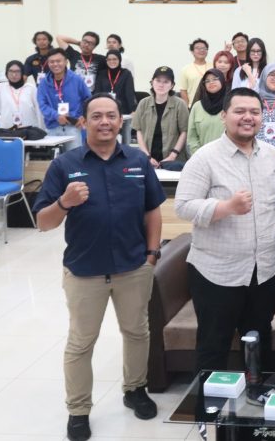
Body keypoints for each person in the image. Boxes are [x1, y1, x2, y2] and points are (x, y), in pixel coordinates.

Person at [33, 93, 164, 441]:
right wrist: (64, 202)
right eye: (97, 116)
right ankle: (78, 409)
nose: (105, 122)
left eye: (111, 116)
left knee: (137, 332)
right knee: (81, 343)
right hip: (84, 272)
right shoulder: (64, 165)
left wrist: (152, 255)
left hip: (133, 268)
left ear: (121, 121)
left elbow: (153, 210)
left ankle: (135, 389)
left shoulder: (137, 161)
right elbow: (43, 223)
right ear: (85, 122)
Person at [175, 88, 275, 373]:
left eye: (255, 112)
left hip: (263, 272)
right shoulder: (204, 158)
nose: (248, 117)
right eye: (240, 111)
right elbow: (183, 206)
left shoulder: (272, 156)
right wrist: (225, 207)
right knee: (214, 344)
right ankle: (210, 411)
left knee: (258, 339)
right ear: (224, 116)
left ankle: (257, 397)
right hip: (217, 273)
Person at [131, 66, 189, 169]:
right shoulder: (143, 103)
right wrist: (147, 156)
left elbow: (184, 132)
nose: (161, 85)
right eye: (158, 81)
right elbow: (138, 130)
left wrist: (172, 155)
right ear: (152, 82)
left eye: (166, 82)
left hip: (173, 160)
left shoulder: (180, 104)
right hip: (148, 158)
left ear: (172, 85)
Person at [37, 47, 91, 152]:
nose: (55, 64)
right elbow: (42, 105)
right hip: (53, 128)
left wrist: (83, 116)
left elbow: (88, 99)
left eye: (58, 61)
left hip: (73, 127)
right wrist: (56, 116)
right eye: (52, 62)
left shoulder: (77, 79)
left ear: (66, 62)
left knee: (75, 160)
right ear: (48, 63)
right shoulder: (43, 83)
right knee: (55, 162)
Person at [0, 60, 44, 131]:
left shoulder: (31, 88)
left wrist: (42, 130)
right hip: (7, 131)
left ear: (22, 73)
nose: (14, 75)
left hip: (29, 131)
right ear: (6, 73)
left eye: (17, 71)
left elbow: (39, 112)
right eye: (11, 71)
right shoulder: (0, 87)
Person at [187, 69, 227, 155]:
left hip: (227, 158)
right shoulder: (197, 106)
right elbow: (191, 136)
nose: (211, 82)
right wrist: (199, 155)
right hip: (201, 158)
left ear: (222, 81)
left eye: (215, 79)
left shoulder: (231, 104)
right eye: (207, 81)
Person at [92, 50, 137, 115]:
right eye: (109, 59)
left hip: (122, 110)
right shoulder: (102, 73)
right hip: (104, 109)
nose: (112, 61)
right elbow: (97, 92)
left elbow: (129, 93)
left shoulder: (126, 73)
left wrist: (133, 110)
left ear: (119, 60)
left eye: (114, 59)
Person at [178, 38, 210, 103]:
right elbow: (183, 90)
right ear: (192, 52)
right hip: (193, 106)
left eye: (204, 48)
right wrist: (187, 107)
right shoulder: (185, 69)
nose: (201, 50)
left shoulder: (213, 66)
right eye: (198, 48)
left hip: (212, 104)